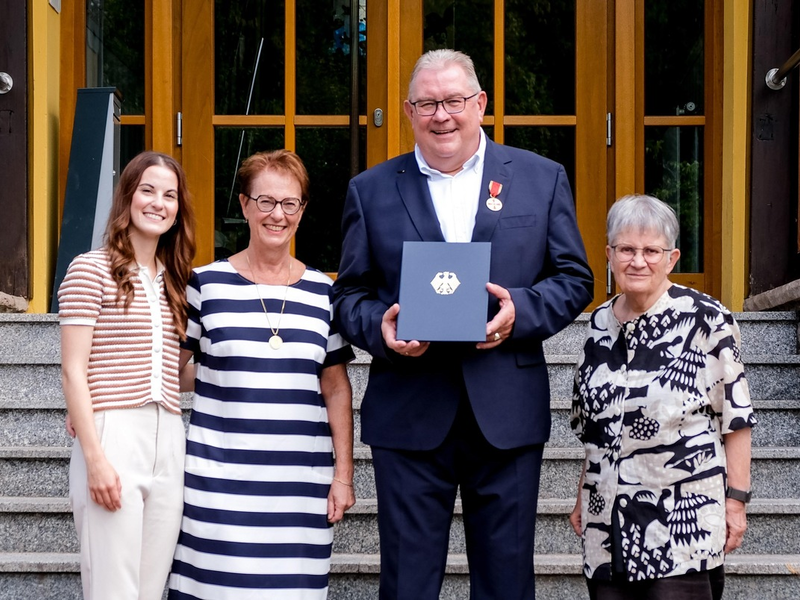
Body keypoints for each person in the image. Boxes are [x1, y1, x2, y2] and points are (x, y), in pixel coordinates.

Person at [331, 49, 594, 599]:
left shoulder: (541, 179)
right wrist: (379, 325)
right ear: (408, 111)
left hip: (505, 412)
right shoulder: (371, 189)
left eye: (453, 100)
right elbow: (349, 294)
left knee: (506, 584)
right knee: (406, 583)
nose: (441, 115)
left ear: (481, 104)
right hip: (408, 413)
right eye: (427, 103)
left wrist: (520, 311)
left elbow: (574, 279)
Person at [168, 149, 356, 599]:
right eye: (266, 201)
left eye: (290, 203)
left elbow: (335, 388)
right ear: (244, 205)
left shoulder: (325, 292)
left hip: (299, 485)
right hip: (218, 483)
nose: (278, 214)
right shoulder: (204, 284)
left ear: (303, 210)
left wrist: (343, 475)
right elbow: (170, 375)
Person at [569, 194, 757, 600]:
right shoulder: (599, 323)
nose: (638, 261)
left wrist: (736, 502)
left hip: (680, 525)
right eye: (626, 249)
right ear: (609, 254)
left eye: (651, 250)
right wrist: (583, 493)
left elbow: (737, 418)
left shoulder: (707, 318)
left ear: (671, 258)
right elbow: (595, 427)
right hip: (607, 527)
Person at [58, 150, 196, 600]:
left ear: (179, 210)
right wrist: (95, 458)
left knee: (150, 589)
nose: (159, 202)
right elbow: (73, 370)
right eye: (148, 190)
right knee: (113, 590)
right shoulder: (89, 268)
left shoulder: (176, 281)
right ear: (128, 197)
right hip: (112, 433)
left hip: (169, 438)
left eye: (170, 195)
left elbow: (176, 374)